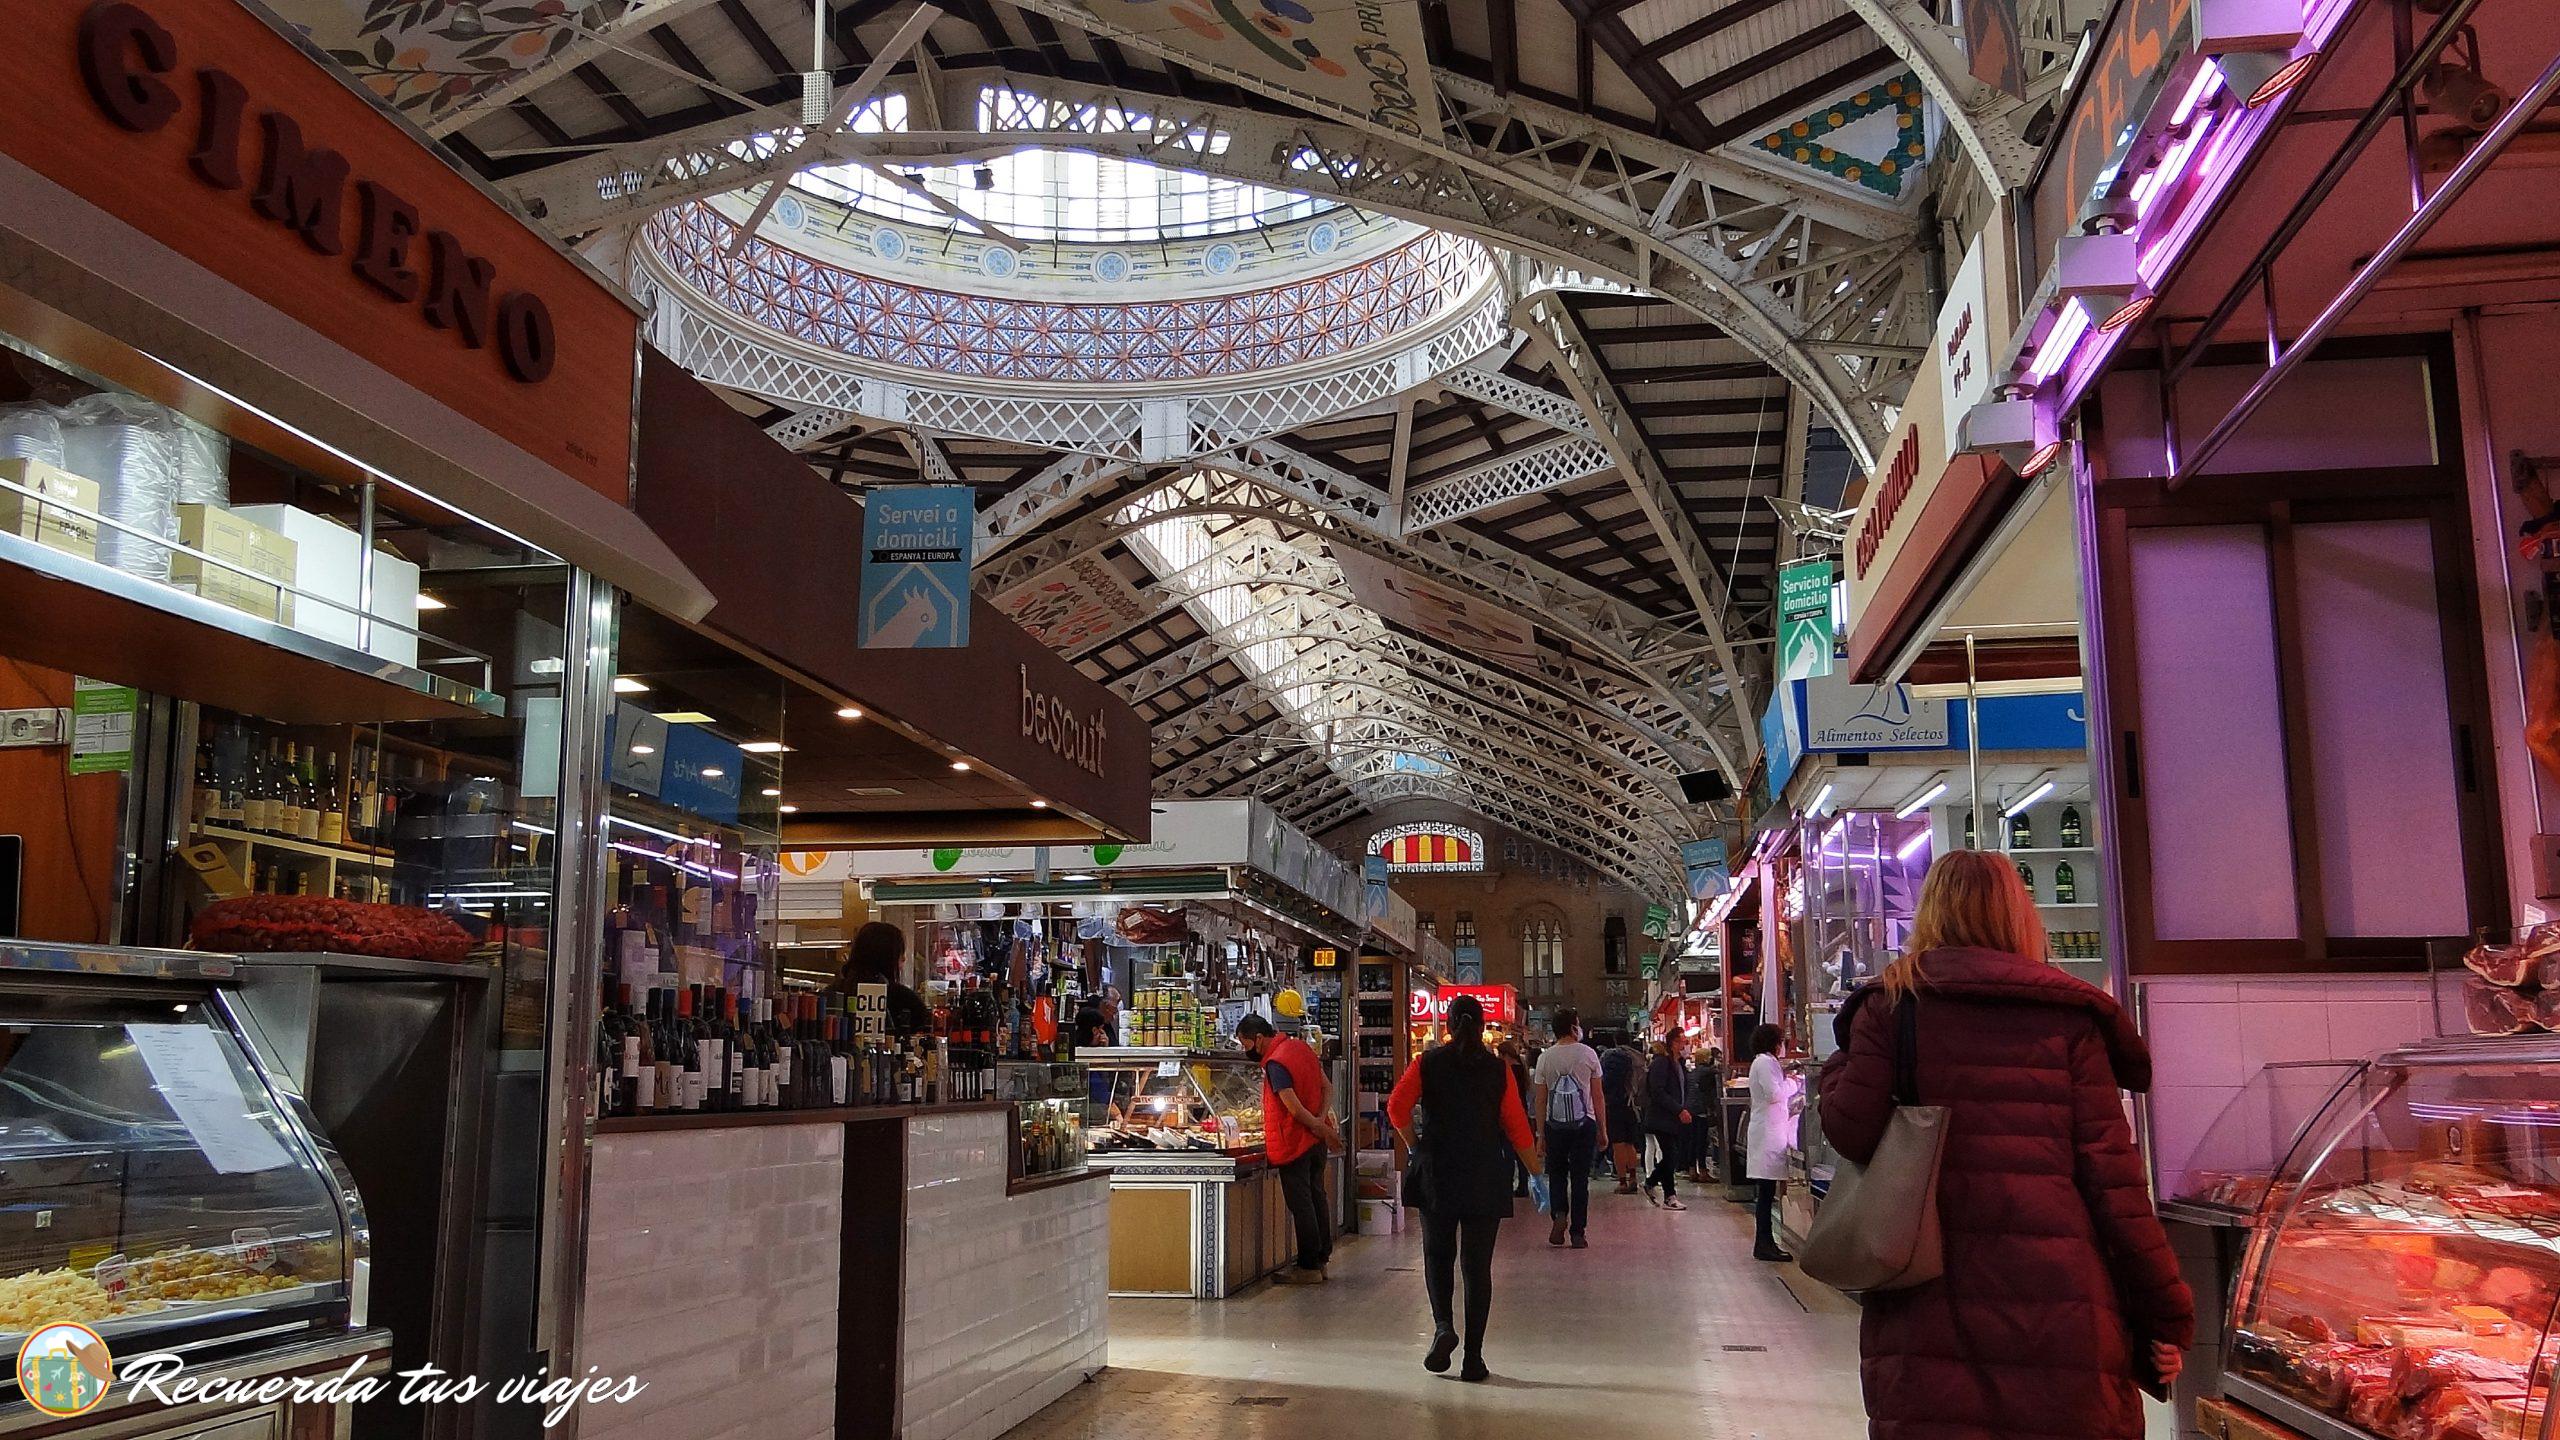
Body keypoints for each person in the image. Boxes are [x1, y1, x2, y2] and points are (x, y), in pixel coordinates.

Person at [1818, 850, 2192, 1440]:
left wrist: (1840, 1067)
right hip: (2063, 1305)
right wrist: (2165, 1315)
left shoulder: (1892, 1007)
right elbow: (2115, 1185)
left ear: (1929, 914)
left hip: (1928, 1300)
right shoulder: (2070, 1018)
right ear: (2022, 916)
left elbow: (1849, 1131)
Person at [1388, 995, 1540, 1382]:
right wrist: (1537, 1174)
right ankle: (1473, 1359)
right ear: (1482, 1024)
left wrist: (1414, 1145)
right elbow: (1516, 1126)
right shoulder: (1498, 1070)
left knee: (1438, 1258)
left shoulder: (1427, 1062)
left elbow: (1397, 1107)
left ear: (1450, 1024)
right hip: (1484, 1173)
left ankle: (1443, 1328)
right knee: (1477, 1269)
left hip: (1437, 1170)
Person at [1238, 1014, 1342, 1284]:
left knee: (1302, 1204)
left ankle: (1308, 1267)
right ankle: (1321, 1260)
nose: (1244, 1049)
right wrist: (1321, 1122)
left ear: (1259, 1039)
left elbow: (1293, 1109)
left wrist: (1320, 1128)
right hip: (1315, 1142)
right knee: (1317, 1196)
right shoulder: (1301, 1048)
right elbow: (1326, 1087)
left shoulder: (1276, 1063)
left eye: (1244, 1043)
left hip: (1294, 1143)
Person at [1530, 1007, 1606, 1248]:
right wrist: (1602, 1129)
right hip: (1585, 1124)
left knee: (1557, 1175)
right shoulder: (1588, 1054)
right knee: (1580, 1178)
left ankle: (1559, 1214)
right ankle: (1578, 1232)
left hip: (1555, 1126)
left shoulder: (1545, 1058)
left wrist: (1540, 1134)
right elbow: (1598, 1096)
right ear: (1574, 1027)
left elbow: (1540, 1100)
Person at [1743, 1023, 1796, 1262]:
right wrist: (1794, 1083)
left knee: (1766, 1192)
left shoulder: (1765, 1062)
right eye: (1781, 1040)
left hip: (1769, 1132)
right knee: (1765, 1193)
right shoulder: (1764, 1062)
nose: (1783, 1045)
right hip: (1766, 1135)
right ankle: (1764, 1243)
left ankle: (1765, 1242)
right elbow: (1774, 1094)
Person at [833, 922, 933, 1036]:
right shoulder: (905, 1000)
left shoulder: (833, 995)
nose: (904, 958)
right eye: (900, 952)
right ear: (887, 957)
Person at [1642, 1032, 1691, 1208]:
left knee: (1671, 1155)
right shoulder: (1662, 1063)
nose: (1684, 1045)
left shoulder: (1679, 1064)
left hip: (1673, 1118)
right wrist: (1678, 1109)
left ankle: (1657, 1187)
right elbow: (1657, 1091)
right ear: (1672, 1043)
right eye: (1681, 1041)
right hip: (1661, 1117)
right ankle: (1662, 1191)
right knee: (1671, 1155)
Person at [1600, 1033, 1643, 1193]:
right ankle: (1633, 1178)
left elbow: (1602, 1081)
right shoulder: (1636, 1057)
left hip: (1614, 1105)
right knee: (1630, 1143)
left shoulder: (1609, 1056)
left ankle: (1622, 1182)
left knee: (1618, 1144)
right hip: (1631, 1104)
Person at [1497, 1037, 1535, 1198]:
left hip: (1507, 1115)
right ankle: (1523, 1185)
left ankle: (1507, 1185)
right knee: (1520, 1152)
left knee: (1508, 1153)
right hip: (1522, 1113)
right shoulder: (1522, 1068)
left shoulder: (1506, 1070)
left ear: (1505, 1054)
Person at [1685, 1045, 1724, 1184]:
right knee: (1701, 1141)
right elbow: (1719, 1072)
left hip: (1689, 1109)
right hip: (1701, 1110)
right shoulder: (1708, 1071)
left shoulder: (1692, 1073)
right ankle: (1702, 1171)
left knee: (1692, 1141)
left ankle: (1691, 1170)